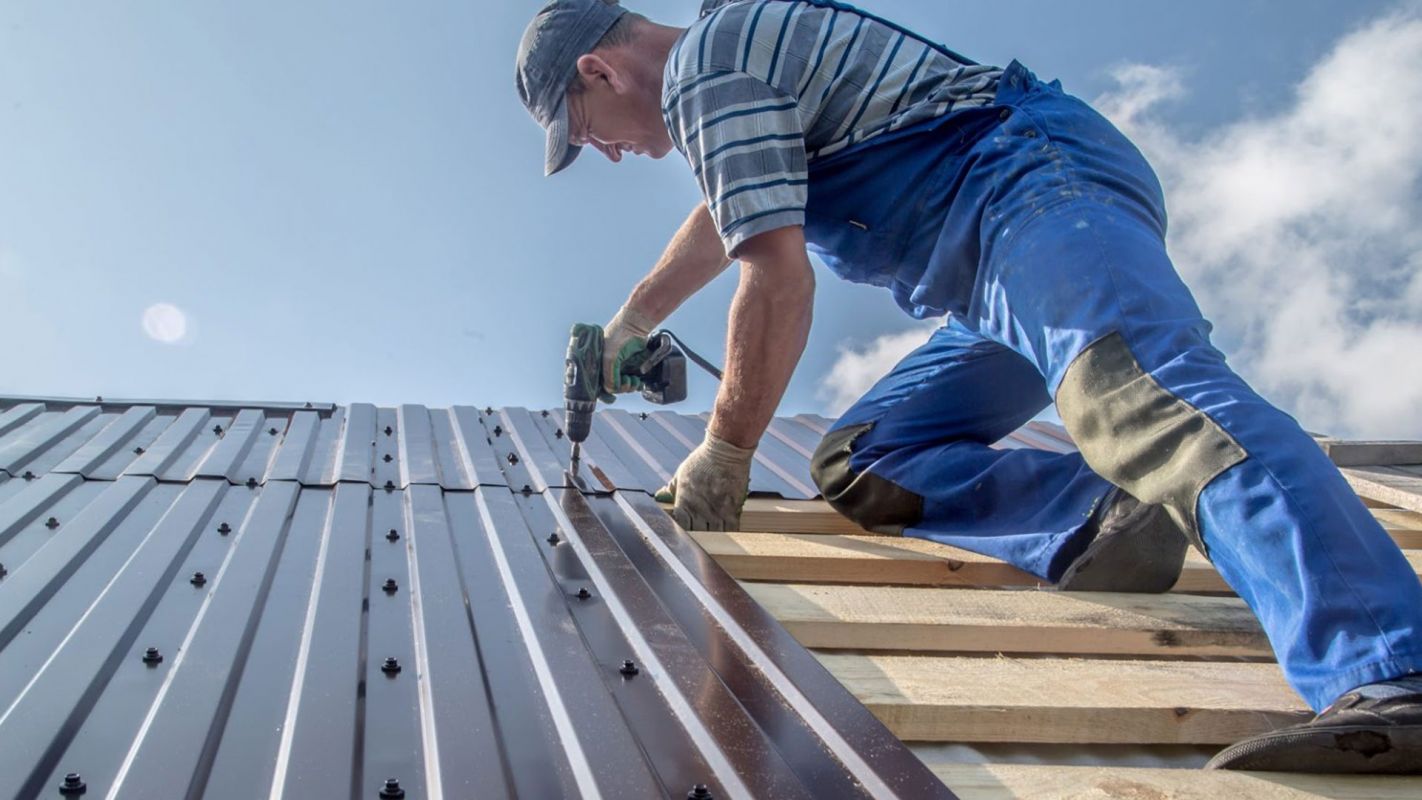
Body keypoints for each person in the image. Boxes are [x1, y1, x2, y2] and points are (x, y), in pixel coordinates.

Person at [516, 0, 1422, 773]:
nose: (603, 151)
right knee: (866, 456)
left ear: (599, 69)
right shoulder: (727, 78)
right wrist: (632, 321)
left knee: (1140, 396)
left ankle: (1387, 667)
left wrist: (727, 450)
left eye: (584, 130)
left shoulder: (705, 70)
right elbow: (729, 211)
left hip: (1031, 191)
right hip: (992, 276)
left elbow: (777, 276)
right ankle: (1099, 518)